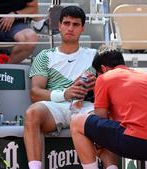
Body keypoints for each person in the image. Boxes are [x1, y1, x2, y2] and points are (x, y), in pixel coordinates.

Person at [70, 45, 147, 169]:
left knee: (77, 122)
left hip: (136, 142)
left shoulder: (104, 78)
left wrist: (98, 146)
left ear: (103, 69)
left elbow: (101, 118)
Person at [24, 6, 97, 169]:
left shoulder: (94, 55)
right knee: (32, 113)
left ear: (82, 28)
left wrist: (97, 85)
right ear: (59, 25)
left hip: (84, 106)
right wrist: (65, 93)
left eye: (76, 24)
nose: (70, 28)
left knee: (104, 118)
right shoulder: (44, 56)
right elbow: (35, 93)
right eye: (67, 23)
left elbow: (110, 88)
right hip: (54, 108)